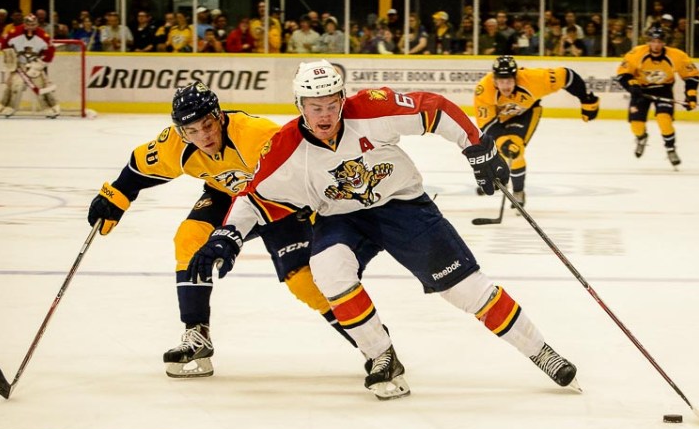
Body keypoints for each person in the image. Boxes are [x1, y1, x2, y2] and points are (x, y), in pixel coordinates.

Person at [187, 61, 579, 400]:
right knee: (328, 269)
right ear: (299, 106)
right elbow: (254, 197)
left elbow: (434, 108)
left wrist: (476, 145)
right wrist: (228, 235)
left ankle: (541, 351)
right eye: (314, 107)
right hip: (341, 218)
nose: (324, 116)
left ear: (343, 99)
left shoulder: (371, 108)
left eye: (331, 105)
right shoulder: (285, 147)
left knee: (466, 290)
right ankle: (381, 355)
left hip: (404, 208)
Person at [86, 82, 354, 378]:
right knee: (189, 238)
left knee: (303, 282)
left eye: (208, 125)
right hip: (226, 195)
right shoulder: (175, 145)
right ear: (181, 132)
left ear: (220, 117)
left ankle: (372, 344)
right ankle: (197, 334)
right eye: (192, 131)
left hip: (278, 200)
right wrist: (116, 196)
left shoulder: (257, 135)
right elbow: (138, 168)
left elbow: (309, 168)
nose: (204, 136)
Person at [472, 55, 599, 210]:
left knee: (515, 149)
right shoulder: (484, 89)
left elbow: (567, 76)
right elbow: (486, 124)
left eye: (509, 81)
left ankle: (518, 191)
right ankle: (497, 178)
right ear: (494, 80)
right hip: (499, 119)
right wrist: (501, 141)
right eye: (501, 81)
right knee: (496, 148)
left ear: (516, 78)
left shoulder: (533, 79)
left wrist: (586, 99)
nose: (505, 86)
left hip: (527, 113)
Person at [615, 24, 699, 166]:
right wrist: (632, 86)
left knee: (664, 119)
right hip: (641, 90)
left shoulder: (677, 56)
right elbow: (623, 74)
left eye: (659, 41)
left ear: (664, 42)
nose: (656, 45)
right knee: (636, 125)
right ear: (648, 41)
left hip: (663, 89)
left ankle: (670, 148)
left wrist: (691, 95)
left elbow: (692, 76)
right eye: (653, 41)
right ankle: (641, 138)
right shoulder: (636, 53)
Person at [0, 14, 60, 118]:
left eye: (33, 24)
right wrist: (10, 58)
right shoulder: (14, 32)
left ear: (37, 24)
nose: (31, 27)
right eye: (28, 24)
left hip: (35, 65)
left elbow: (50, 52)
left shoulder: (43, 35)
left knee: (41, 86)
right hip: (19, 65)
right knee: (15, 86)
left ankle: (51, 108)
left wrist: (39, 64)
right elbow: (4, 45)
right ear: (24, 24)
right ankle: (8, 107)